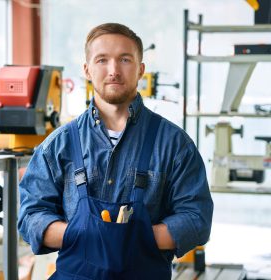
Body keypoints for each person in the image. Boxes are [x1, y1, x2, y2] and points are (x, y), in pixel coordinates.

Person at [18, 23, 213, 280]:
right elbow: (30, 216)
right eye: (102, 60)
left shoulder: (175, 144)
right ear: (87, 69)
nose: (113, 71)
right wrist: (80, 234)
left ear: (141, 69)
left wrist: (137, 237)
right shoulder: (58, 145)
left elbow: (197, 220)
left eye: (124, 59)